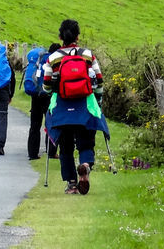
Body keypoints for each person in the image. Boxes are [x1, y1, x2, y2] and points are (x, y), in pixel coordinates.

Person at [45, 20, 109, 195]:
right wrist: (97, 100)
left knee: (65, 146)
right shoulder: (88, 55)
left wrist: (54, 92)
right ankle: (86, 165)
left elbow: (46, 85)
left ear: (60, 37)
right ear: (78, 36)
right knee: (86, 142)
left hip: (62, 106)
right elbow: (99, 80)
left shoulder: (53, 58)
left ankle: (72, 184)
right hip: (85, 105)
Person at [27, 43, 61, 161]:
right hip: (48, 95)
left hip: (35, 93)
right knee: (51, 123)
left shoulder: (41, 58)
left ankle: (32, 153)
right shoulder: (55, 60)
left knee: (35, 125)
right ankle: (51, 152)